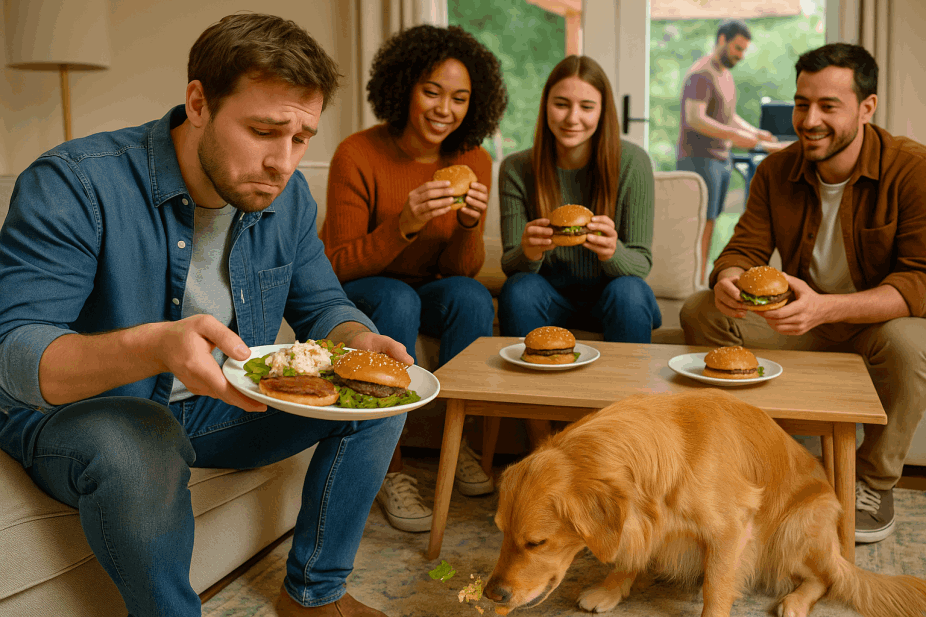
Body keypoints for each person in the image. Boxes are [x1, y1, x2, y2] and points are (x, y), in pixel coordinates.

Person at [0, 13, 410, 617]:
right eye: (265, 131)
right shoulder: (76, 183)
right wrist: (156, 346)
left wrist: (357, 341)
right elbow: (15, 356)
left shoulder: (286, 196)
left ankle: (314, 597)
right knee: (146, 433)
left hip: (219, 405)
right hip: (81, 415)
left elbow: (322, 305)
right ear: (198, 102)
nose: (284, 162)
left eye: (301, 139)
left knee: (384, 392)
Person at [679, 43, 926, 545]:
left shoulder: (912, 168)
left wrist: (826, 307)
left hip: (872, 329)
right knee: (700, 310)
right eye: (801, 103)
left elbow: (920, 279)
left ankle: (873, 481)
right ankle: (774, 457)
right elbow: (743, 248)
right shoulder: (776, 170)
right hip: (799, 327)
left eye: (827, 106)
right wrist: (728, 279)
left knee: (912, 343)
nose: (809, 120)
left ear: (867, 107)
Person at [319, 25, 508, 533]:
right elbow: (336, 262)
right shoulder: (358, 154)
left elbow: (462, 269)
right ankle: (391, 465)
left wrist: (469, 226)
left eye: (460, 98)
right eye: (432, 91)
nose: (444, 109)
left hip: (432, 283)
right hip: (365, 285)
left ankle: (456, 442)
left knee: (471, 296)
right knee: (398, 298)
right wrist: (401, 226)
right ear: (403, 87)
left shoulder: (475, 160)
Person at [496, 55, 662, 445]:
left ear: (603, 112)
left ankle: (626, 434)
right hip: (551, 300)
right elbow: (510, 264)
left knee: (629, 291)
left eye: (587, 106)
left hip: (613, 296)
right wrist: (530, 252)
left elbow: (641, 263)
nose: (573, 118)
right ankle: (540, 439)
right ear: (545, 107)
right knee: (519, 287)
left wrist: (611, 251)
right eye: (561, 104)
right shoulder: (517, 168)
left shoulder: (632, 163)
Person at [676, 20, 782, 284]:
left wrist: (755, 133)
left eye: (744, 50)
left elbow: (728, 116)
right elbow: (695, 118)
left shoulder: (725, 75)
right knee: (700, 225)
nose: (740, 55)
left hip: (720, 159)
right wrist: (737, 137)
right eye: (737, 48)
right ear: (722, 39)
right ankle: (692, 283)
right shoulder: (701, 74)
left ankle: (699, 280)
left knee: (711, 223)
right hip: (699, 159)